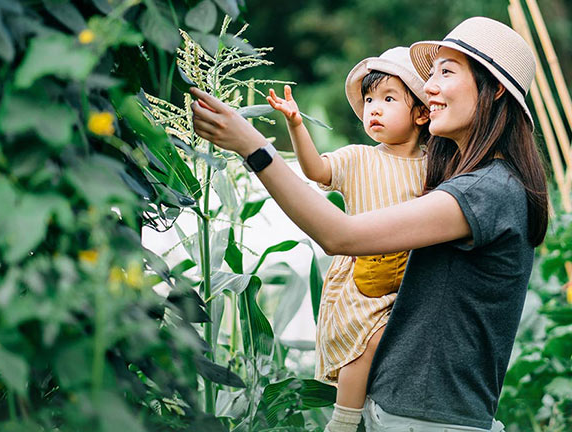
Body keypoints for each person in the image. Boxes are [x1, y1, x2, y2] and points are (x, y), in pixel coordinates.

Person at [189, 16, 548, 432]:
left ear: (496, 88)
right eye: (430, 75)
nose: (428, 87)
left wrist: (255, 147)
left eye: (446, 73)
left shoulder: (487, 190)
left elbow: (341, 235)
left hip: (426, 422)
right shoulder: (473, 182)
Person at [266, 47, 430, 432]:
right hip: (363, 280)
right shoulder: (358, 158)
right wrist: (295, 125)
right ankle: (343, 421)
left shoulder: (432, 166)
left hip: (411, 279)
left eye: (389, 99)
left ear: (422, 113)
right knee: (366, 342)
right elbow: (316, 170)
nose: (373, 108)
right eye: (369, 99)